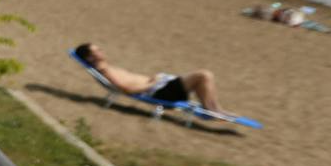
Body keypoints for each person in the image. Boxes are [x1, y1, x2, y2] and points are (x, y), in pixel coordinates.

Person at [74, 43, 226, 113]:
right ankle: (212, 109)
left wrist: (153, 79)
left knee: (202, 78)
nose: (102, 50)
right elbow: (127, 88)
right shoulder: (105, 70)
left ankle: (212, 109)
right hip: (158, 92)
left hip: (159, 88)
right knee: (204, 75)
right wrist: (153, 82)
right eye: (97, 50)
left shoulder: (107, 67)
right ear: (90, 57)